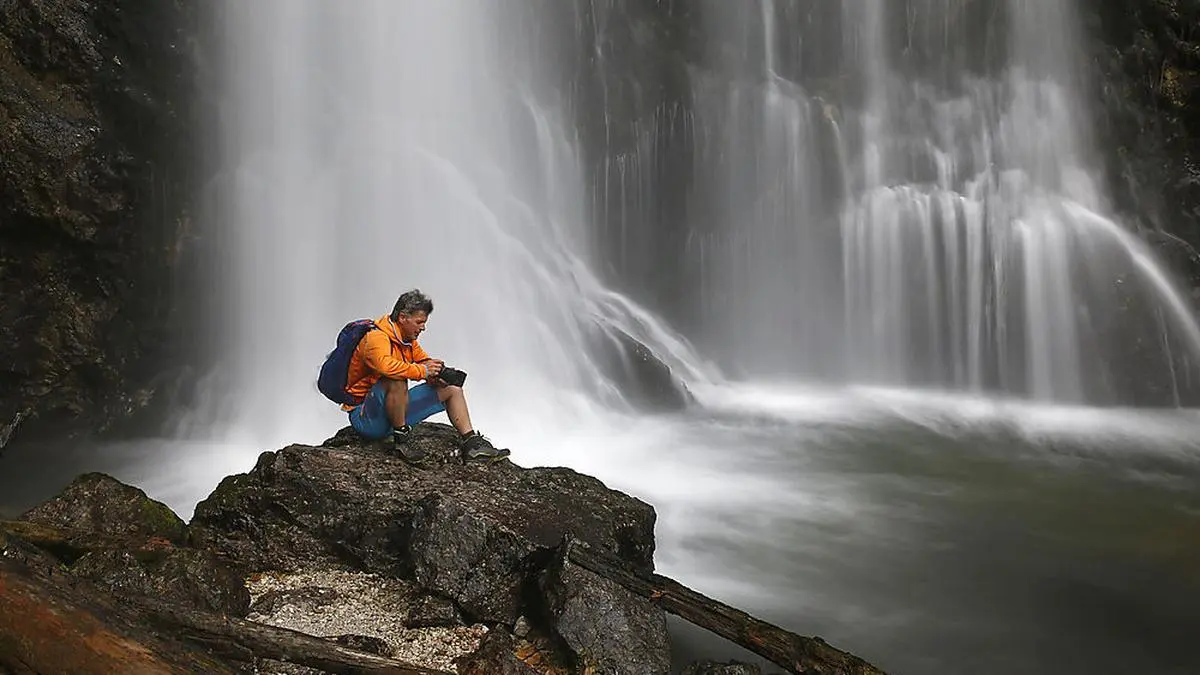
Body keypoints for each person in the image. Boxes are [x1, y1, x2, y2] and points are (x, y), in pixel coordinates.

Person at [342, 289, 509, 462]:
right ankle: (402, 440)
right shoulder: (376, 338)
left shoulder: (407, 341)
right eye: (419, 322)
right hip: (367, 418)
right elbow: (386, 366)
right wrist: (423, 371)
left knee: (451, 388)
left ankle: (472, 444)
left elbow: (423, 362)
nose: (423, 327)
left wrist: (437, 372)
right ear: (403, 317)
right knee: (396, 379)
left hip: (392, 412)